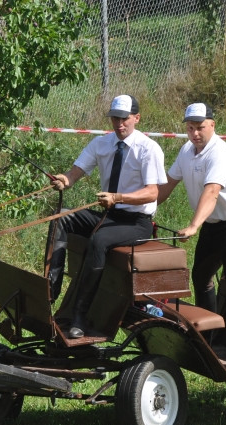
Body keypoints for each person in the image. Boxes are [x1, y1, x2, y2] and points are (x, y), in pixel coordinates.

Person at [47, 94, 167, 338]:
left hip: (136, 222)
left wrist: (118, 197)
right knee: (61, 216)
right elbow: (77, 171)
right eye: (115, 119)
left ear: (137, 118)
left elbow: (152, 192)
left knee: (99, 240)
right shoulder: (102, 143)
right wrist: (66, 179)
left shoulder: (148, 149)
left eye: (124, 119)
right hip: (109, 215)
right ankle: (51, 286)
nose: (119, 124)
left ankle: (80, 314)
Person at [156, 103, 226, 368]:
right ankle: (209, 339)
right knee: (201, 277)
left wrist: (193, 226)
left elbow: (212, 192)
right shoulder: (186, 152)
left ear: (212, 125)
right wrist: (143, 208)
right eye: (190, 128)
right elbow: (167, 185)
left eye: (200, 127)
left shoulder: (220, 154)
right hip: (213, 225)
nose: (195, 133)